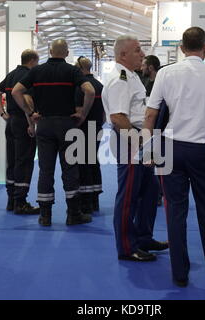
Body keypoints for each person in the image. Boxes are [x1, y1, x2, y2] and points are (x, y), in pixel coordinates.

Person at [143, 27, 205, 287]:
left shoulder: (165, 73)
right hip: (202, 151)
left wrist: (148, 150)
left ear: (182, 48)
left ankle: (179, 273)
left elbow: (150, 116)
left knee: (175, 210)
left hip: (170, 148)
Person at [12, 39, 96, 227]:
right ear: (66, 53)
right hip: (67, 124)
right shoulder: (72, 71)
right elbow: (89, 91)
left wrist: (30, 112)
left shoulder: (37, 71)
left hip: (45, 125)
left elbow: (17, 91)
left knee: (45, 170)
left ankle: (45, 215)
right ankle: (73, 214)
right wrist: (82, 113)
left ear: (50, 51)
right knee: (70, 169)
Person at [101, 35, 168, 262]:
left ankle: (143, 237)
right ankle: (127, 247)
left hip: (140, 139)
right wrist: (139, 142)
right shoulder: (121, 79)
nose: (142, 54)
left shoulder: (132, 77)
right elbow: (118, 117)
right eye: (138, 50)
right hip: (130, 140)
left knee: (150, 191)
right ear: (123, 55)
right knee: (129, 195)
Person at [0, 49, 40, 215]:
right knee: (24, 161)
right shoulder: (28, 76)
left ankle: (11, 200)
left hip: (11, 122)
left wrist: (3, 113)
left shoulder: (11, 75)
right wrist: (31, 122)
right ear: (33, 60)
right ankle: (21, 201)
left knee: (12, 161)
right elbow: (26, 99)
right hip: (23, 122)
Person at [74, 56, 105, 215]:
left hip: (82, 128)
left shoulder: (80, 87)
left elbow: (79, 112)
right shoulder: (100, 85)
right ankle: (94, 200)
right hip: (97, 127)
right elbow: (105, 113)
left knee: (82, 162)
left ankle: (85, 201)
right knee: (93, 160)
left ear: (80, 68)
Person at [140, 55, 164, 207]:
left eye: (144, 65)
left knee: (161, 166)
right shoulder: (145, 84)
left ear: (150, 67)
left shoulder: (161, 85)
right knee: (148, 165)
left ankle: (159, 194)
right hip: (149, 129)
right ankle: (152, 193)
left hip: (160, 130)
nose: (141, 68)